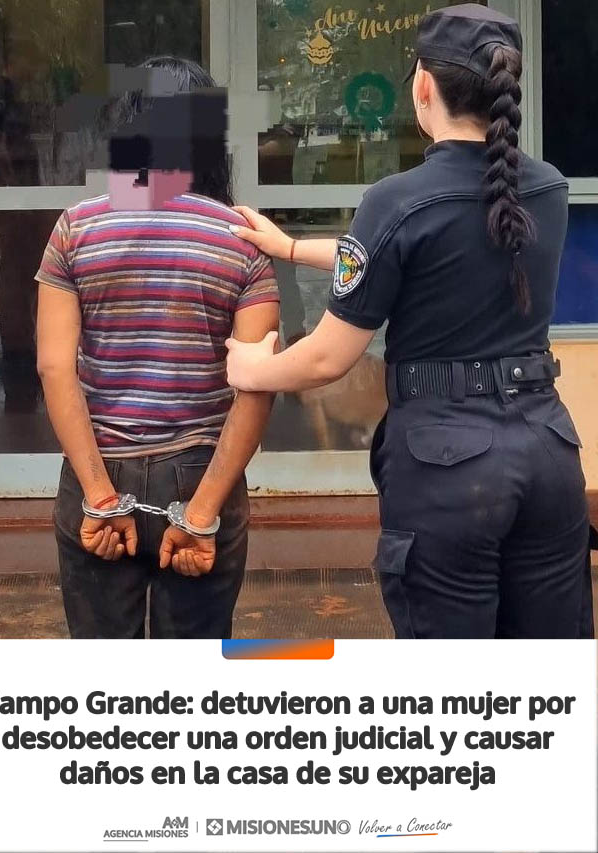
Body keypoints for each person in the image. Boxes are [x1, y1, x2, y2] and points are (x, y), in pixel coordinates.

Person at [225, 4, 593, 640]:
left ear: (424, 85)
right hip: (547, 451)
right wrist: (291, 247)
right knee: (549, 679)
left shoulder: (395, 200)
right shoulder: (546, 188)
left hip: (448, 467)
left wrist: (252, 368)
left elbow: (328, 357)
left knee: (449, 684)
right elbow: (428, 249)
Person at [36, 57, 279, 639]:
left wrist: (100, 497)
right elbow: (256, 387)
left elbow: (53, 366)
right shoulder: (243, 240)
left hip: (98, 469)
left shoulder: (76, 227)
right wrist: (202, 512)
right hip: (201, 475)